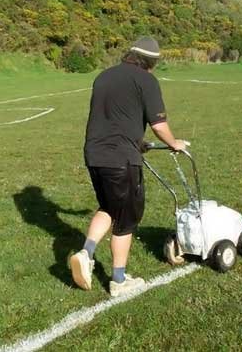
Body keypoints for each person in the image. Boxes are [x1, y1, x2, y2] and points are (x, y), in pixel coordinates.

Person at [69, 36, 188, 297]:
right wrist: (174, 143)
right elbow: (158, 125)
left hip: (95, 154)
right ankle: (119, 281)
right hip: (121, 159)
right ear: (151, 62)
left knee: (110, 207)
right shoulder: (146, 80)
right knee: (127, 219)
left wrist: (139, 142)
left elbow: (116, 118)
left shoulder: (104, 76)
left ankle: (86, 253)